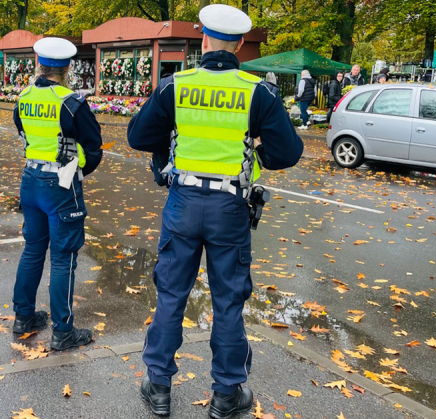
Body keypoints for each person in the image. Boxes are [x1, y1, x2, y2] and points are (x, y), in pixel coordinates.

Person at [126, 4, 303, 417]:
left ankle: (158, 387)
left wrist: (168, 145)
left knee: (171, 294)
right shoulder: (257, 91)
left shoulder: (176, 86)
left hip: (183, 204)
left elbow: (138, 135)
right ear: (240, 45)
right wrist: (253, 152)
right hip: (230, 208)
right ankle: (226, 394)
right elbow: (288, 152)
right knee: (227, 301)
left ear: (203, 38)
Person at [11, 37, 103, 352]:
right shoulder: (71, 102)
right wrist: (77, 168)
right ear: (67, 68)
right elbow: (93, 147)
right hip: (60, 185)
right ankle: (63, 331)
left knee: (33, 250)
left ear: (39, 63)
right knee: (63, 258)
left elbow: (23, 131)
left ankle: (23, 317)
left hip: (30, 179)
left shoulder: (23, 97)